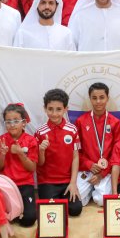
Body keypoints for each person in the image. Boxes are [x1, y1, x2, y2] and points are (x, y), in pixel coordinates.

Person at [35, 89, 83, 217]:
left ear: (66, 109)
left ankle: (64, 198)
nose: (54, 114)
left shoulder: (72, 130)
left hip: (67, 181)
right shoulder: (40, 132)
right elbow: (39, 163)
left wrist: (73, 183)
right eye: (50, 109)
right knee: (51, 212)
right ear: (45, 108)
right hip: (47, 181)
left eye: (58, 109)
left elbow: (75, 157)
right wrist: (41, 150)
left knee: (76, 210)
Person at [76, 83, 120, 206]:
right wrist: (88, 163)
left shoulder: (115, 122)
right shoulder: (80, 121)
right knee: (77, 200)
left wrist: (102, 173)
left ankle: (96, 189)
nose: (98, 101)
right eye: (94, 98)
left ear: (107, 98)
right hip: (87, 168)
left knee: (102, 201)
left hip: (105, 170)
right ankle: (90, 189)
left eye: (102, 97)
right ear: (90, 99)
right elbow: (76, 151)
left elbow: (117, 153)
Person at [0, 104, 38, 227]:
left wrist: (20, 153)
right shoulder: (1, 140)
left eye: (16, 121)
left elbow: (32, 168)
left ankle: (17, 211)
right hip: (6, 185)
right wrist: (3, 154)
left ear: (24, 123)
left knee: (29, 220)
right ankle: (13, 211)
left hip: (25, 184)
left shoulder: (31, 140)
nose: (12, 124)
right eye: (8, 122)